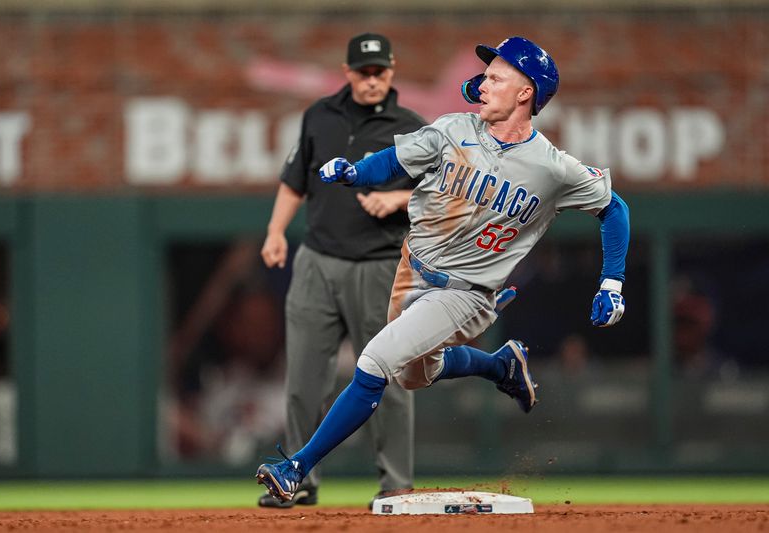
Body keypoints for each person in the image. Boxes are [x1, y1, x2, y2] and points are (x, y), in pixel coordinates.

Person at [257, 36, 630, 503]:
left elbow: (614, 208)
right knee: (416, 374)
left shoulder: (553, 168)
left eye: (498, 76)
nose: (484, 82)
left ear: (525, 92)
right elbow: (393, 161)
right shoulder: (454, 128)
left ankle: (297, 468)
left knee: (373, 362)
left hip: (467, 292)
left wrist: (611, 280)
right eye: (487, 74)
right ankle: (501, 366)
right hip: (412, 270)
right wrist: (355, 172)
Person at [258, 33, 426, 507]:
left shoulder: (413, 128)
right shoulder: (319, 115)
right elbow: (295, 181)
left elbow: (444, 194)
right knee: (303, 380)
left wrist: (397, 197)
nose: (372, 80)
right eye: (364, 72)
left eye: (380, 71)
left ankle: (396, 484)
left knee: (387, 377)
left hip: (380, 265)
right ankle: (295, 479)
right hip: (318, 258)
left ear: (391, 72)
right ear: (348, 72)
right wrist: (275, 232)